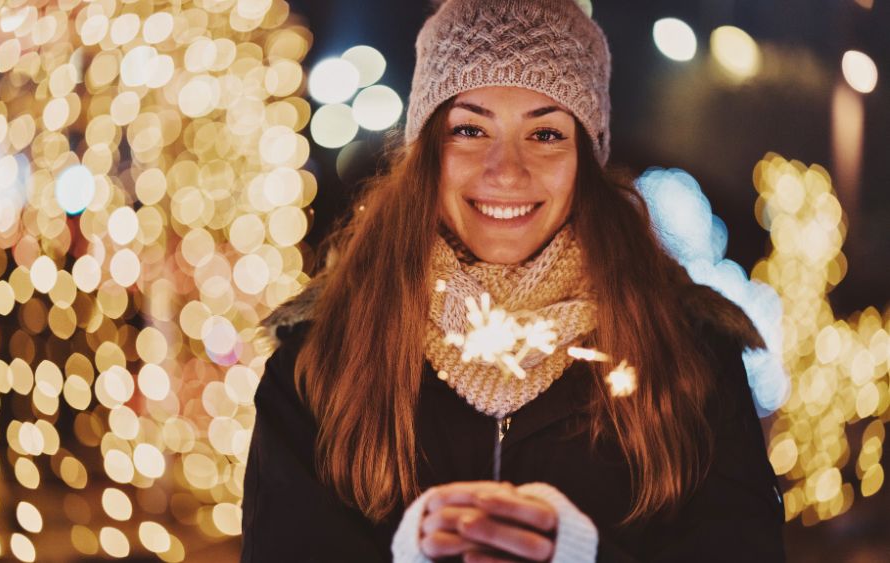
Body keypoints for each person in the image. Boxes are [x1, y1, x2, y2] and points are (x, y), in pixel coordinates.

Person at [240, 0, 786, 561]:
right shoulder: (318, 360)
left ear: (586, 156)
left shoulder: (689, 355)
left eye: (546, 134)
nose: (506, 170)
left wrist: (584, 557)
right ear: (428, 149)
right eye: (471, 129)